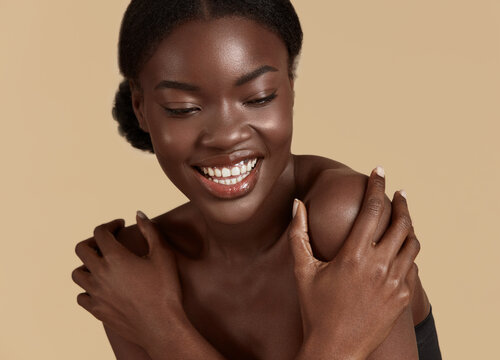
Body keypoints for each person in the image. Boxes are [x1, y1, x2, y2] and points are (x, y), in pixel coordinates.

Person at [72, 1, 441, 359]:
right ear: (141, 109)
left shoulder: (340, 220)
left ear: (290, 87)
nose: (226, 135)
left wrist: (164, 333)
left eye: (259, 98)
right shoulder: (133, 273)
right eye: (183, 109)